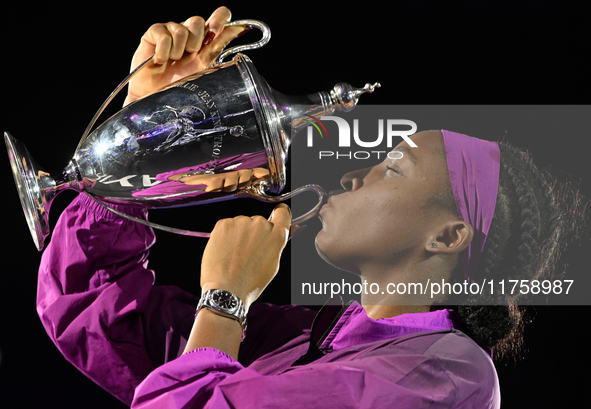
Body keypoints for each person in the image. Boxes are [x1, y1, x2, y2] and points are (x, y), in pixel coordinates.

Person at [35, 6, 583, 409]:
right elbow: (95, 312)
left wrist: (224, 300)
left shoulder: (442, 378)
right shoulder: (303, 339)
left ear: (446, 236)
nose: (350, 174)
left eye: (391, 168)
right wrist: (147, 132)